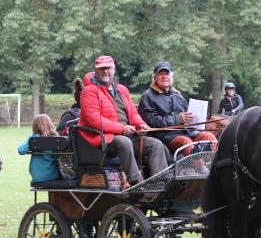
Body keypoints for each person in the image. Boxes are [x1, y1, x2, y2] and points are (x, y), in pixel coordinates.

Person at [79, 55, 168, 185]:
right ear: (96, 71)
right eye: (101, 69)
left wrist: (141, 124)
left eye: (108, 68)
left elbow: (132, 113)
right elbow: (94, 119)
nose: (105, 71)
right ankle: (135, 182)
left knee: (155, 144)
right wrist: (121, 129)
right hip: (104, 139)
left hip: (125, 135)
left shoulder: (122, 89)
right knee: (124, 141)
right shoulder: (89, 91)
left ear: (114, 69)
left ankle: (160, 183)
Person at [138, 60, 217, 157]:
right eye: (160, 74)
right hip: (164, 136)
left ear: (172, 76)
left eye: (167, 74)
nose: (164, 77)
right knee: (186, 142)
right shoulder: (148, 96)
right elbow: (152, 121)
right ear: (155, 77)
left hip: (186, 132)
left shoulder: (177, 94)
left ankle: (213, 167)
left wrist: (197, 118)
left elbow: (187, 114)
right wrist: (177, 119)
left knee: (209, 136)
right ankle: (201, 170)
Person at [18, 114, 63, 183]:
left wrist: (30, 139)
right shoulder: (57, 138)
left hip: (38, 177)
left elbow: (21, 150)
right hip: (54, 175)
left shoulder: (35, 139)